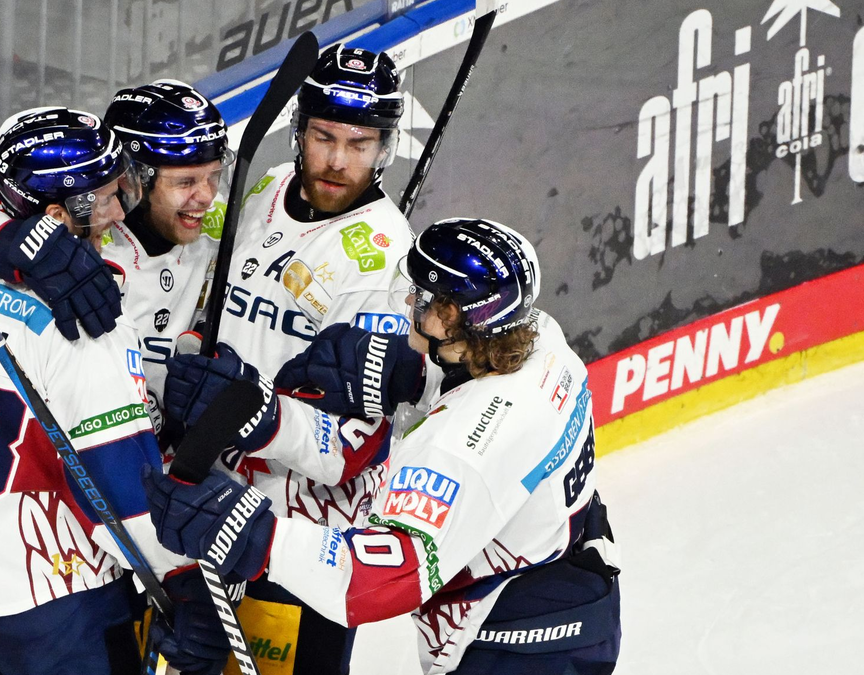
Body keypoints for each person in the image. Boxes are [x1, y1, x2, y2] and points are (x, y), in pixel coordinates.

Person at [143, 218, 622, 674]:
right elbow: (483, 386)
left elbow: (381, 580)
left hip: (522, 642)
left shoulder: (458, 448)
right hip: (573, 591)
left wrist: (257, 536)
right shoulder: (543, 341)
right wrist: (405, 372)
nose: (409, 300)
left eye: (421, 295)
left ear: (450, 316)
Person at [0, 107, 227, 675]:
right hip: (53, 606)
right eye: (103, 198)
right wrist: (186, 584)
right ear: (52, 215)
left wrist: (15, 243)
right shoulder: (88, 325)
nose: (120, 210)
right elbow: (122, 485)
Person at [160, 43, 414, 674]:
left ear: (385, 148)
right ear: (299, 131)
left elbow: (355, 446)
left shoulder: (383, 258)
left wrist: (251, 414)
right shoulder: (268, 186)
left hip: (301, 538)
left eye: (359, 144)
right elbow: (211, 312)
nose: (336, 161)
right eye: (325, 137)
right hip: (208, 500)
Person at [100, 79, 234, 436]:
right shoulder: (83, 241)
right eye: (186, 182)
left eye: (214, 177)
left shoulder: (221, 226)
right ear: (132, 179)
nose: (206, 196)